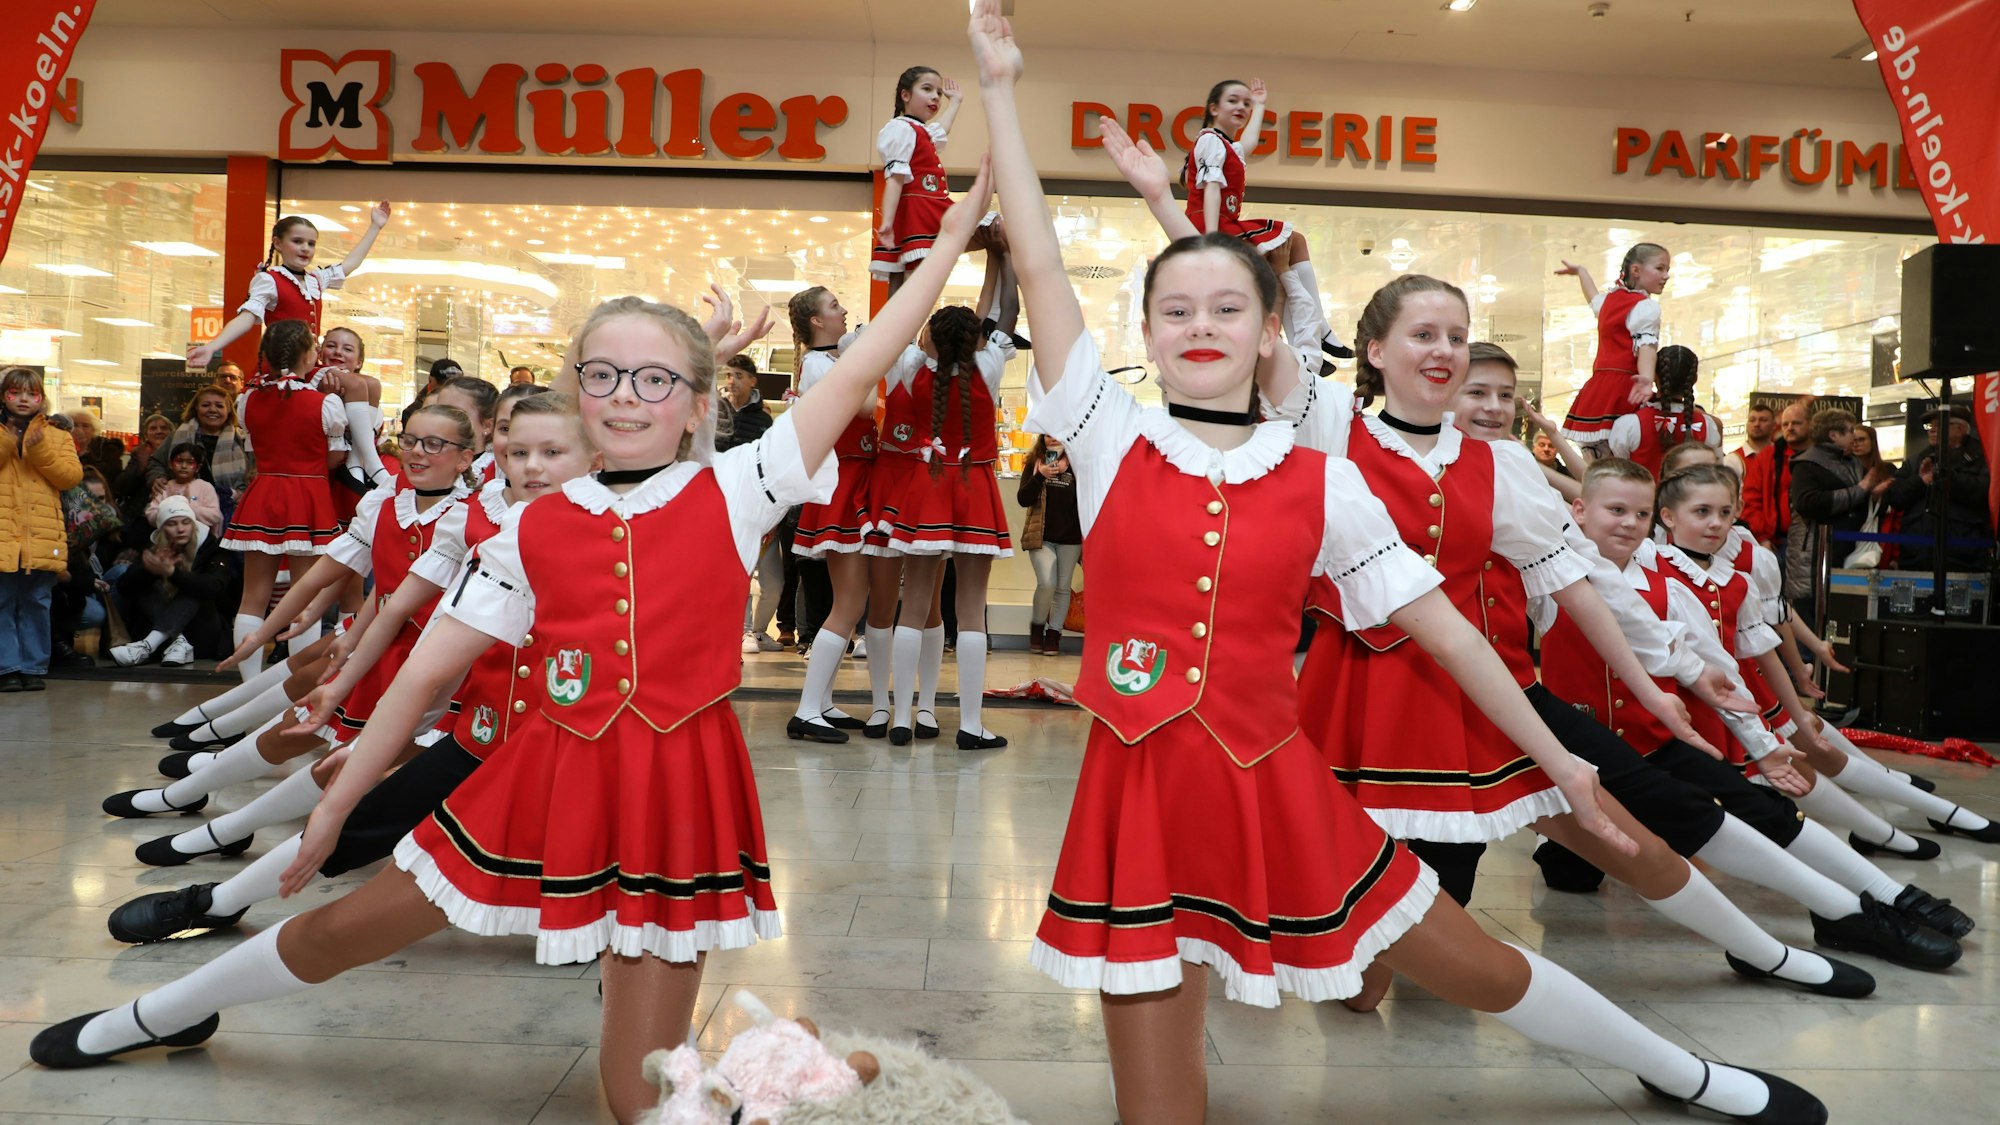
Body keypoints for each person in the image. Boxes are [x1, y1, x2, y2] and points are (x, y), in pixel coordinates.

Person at [974, 12, 1824, 1122]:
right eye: (1172, 308)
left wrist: (1558, 763)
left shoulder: (1320, 479)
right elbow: (1034, 258)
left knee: (1466, 963)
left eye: (1227, 306)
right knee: (1153, 1085)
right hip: (1132, 793)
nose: (1199, 324)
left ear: (1270, 330)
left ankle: (1690, 1074)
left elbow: (1450, 632)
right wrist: (1000, 91)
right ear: (1140, 324)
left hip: (1277, 782)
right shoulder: (1103, 428)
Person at [31, 184, 989, 1125]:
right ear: (576, 389)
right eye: (604, 374)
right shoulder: (525, 532)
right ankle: (152, 1012)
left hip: (676, 798)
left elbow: (864, 362)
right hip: (537, 776)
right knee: (345, 928)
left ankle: (803, 1066)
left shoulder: (739, 489)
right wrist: (331, 807)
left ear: (697, 401)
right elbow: (425, 673)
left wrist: (942, 242)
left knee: (636, 1100)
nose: (626, 395)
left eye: (655, 377)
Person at [103, 394, 596, 946]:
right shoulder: (472, 520)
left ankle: (610, 934)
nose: (529, 461)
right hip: (473, 707)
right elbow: (399, 604)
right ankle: (218, 883)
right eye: (514, 439)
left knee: (418, 837)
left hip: (565, 733)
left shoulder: (615, 531)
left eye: (551, 450)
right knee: (356, 788)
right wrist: (332, 664)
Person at [1532, 457, 1970, 946]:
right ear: (1579, 511)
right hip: (1576, 757)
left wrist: (1762, 745)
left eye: (1640, 514)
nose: (1630, 525)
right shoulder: (1549, 582)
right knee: (1572, 876)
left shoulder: (1669, 587)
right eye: (1615, 510)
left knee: (1756, 806)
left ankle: (1885, 894)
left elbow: (1720, 673)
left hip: (1655, 743)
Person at [101, 404, 477, 870]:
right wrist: (267, 630)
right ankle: (186, 791)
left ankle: (221, 825)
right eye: (412, 440)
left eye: (435, 444)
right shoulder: (387, 501)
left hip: (440, 669)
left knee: (344, 764)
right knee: (297, 727)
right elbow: (342, 575)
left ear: (467, 457)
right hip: (382, 646)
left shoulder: (474, 519)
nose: (418, 452)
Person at [869, 249, 1021, 750]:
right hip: (974, 488)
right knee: (971, 610)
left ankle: (901, 718)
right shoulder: (989, 365)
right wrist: (1003, 259)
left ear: (927, 337)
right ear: (976, 340)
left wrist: (922, 256)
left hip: (925, 490)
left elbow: (902, 314)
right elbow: (1003, 312)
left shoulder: (909, 365)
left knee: (912, 608)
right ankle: (972, 725)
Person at [217, 321, 349, 680]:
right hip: (308, 495)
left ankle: (248, 686)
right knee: (302, 596)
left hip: (263, 492)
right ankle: (292, 687)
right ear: (309, 354)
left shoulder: (248, 400)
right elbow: (335, 457)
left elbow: (254, 450)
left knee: (253, 597)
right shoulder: (325, 404)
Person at [1184, 78, 1349, 363]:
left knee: (1282, 269)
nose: (1241, 107)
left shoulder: (1225, 144)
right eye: (1233, 101)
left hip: (1221, 224)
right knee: (1292, 246)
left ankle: (1309, 341)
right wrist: (1212, 240)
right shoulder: (1210, 140)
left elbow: (1247, 143)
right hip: (1213, 225)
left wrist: (1259, 106)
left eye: (1245, 103)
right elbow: (1211, 188)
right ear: (1213, 108)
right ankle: (1316, 333)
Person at [786, 286, 877, 741]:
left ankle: (821, 701)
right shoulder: (820, 366)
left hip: (853, 482)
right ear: (817, 322)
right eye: (835, 307)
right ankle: (806, 709)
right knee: (847, 604)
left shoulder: (827, 362)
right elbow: (863, 407)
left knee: (851, 602)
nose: (844, 312)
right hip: (844, 484)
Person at [187, 205, 392, 380]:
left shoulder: (315, 280)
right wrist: (213, 347)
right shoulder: (269, 280)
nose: (305, 248)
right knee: (357, 385)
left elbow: (350, 264)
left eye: (311, 244)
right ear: (277, 243)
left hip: (308, 365)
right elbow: (246, 318)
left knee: (368, 384)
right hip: (284, 368)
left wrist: (375, 227)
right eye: (297, 241)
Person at [871, 64, 1013, 304]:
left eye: (938, 91)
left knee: (906, 278)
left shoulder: (919, 131)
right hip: (919, 212)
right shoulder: (899, 129)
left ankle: (995, 320)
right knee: (911, 281)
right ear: (905, 95)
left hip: (930, 210)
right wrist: (887, 222)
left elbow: (939, 132)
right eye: (927, 89)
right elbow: (894, 178)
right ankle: (998, 320)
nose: (936, 96)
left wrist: (955, 102)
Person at [2, 366, 84, 692]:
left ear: (41, 398)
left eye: (31, 393)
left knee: (37, 600)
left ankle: (34, 666)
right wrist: (8, 441)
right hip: (4, 534)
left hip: (42, 534)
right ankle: (7, 667)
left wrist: (38, 448)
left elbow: (69, 477)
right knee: (2, 602)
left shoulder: (57, 434)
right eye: (15, 392)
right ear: (3, 396)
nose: (23, 399)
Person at [1556, 243, 1670, 450]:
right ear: (1636, 270)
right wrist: (1646, 378)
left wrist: (1581, 272)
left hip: (1598, 388)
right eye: (1660, 268)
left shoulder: (1609, 302)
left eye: (1667, 270)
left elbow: (1593, 298)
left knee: (1597, 457)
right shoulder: (1646, 307)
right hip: (1625, 389)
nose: (1666, 275)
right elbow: (1647, 346)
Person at [108, 495, 237, 668]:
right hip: (161, 636)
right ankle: (177, 641)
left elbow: (216, 588)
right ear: (162, 529)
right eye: (172, 524)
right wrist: (150, 571)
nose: (180, 529)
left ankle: (147, 646)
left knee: (196, 588)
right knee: (145, 583)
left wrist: (173, 574)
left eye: (185, 522)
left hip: (201, 633)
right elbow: (124, 588)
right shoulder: (154, 549)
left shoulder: (213, 548)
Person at [1785, 407, 1888, 610]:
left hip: (1848, 551)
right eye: (1850, 431)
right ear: (1833, 435)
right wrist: (1861, 489)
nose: (1854, 436)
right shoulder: (1806, 464)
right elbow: (1808, 503)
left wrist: (1873, 496)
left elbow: (1860, 497)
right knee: (1812, 616)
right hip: (1814, 554)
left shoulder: (1853, 462)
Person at [1886, 403, 1993, 572]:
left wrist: (1949, 479)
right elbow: (1895, 496)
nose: (1931, 430)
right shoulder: (1916, 460)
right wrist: (1920, 481)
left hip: (1963, 556)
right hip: (1916, 556)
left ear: (1960, 429)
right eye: (1930, 426)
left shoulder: (1984, 458)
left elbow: (1984, 493)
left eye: (1939, 425)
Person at [1607, 343, 1721, 478]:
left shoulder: (1629, 424)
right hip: (1692, 498)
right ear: (1694, 379)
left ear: (1655, 376)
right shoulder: (1708, 426)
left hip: (1642, 498)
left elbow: (1619, 473)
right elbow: (1716, 473)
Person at [146, 384, 254, 518]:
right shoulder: (177, 436)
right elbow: (155, 462)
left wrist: (244, 494)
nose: (212, 410)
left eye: (219, 406)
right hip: (182, 512)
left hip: (231, 511)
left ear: (229, 411)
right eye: (206, 405)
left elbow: (254, 473)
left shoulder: (242, 440)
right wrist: (157, 478)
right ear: (196, 408)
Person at [1016, 434, 1080, 657]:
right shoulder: (1035, 462)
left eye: (1058, 434)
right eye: (1048, 434)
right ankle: (1036, 627)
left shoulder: (1077, 464)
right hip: (1041, 537)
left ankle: (1054, 635)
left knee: (1063, 588)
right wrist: (1040, 476)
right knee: (1046, 583)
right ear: (1042, 438)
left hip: (1071, 540)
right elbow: (1023, 499)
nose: (1053, 439)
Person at [1743, 398, 1807, 551]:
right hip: (1777, 542)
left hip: (1814, 538)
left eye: (1796, 423)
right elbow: (1751, 499)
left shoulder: (1820, 456)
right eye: (1785, 424)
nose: (1790, 428)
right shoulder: (1767, 457)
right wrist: (1762, 536)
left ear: (1810, 424)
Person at [145, 442, 224, 535]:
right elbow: (151, 514)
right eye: (179, 461)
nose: (183, 466)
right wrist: (170, 510)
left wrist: (188, 508)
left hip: (200, 538)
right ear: (170, 464)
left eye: (190, 462)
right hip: (169, 537)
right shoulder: (164, 487)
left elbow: (215, 516)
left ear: (198, 467)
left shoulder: (205, 487)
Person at [114, 413, 175, 517]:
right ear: (146, 435)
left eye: (164, 428)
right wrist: (140, 466)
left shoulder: (178, 453)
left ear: (171, 432)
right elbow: (122, 487)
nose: (159, 431)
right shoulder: (139, 453)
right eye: (153, 428)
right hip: (141, 512)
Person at [66, 407, 127, 481]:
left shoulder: (107, 450)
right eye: (74, 425)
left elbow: (113, 482)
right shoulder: (58, 448)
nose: (79, 430)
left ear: (93, 430)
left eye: (85, 426)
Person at [1724, 399, 1777, 479]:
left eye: (1763, 420)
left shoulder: (1783, 456)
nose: (1757, 424)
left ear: (1774, 426)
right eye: (1752, 420)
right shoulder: (1732, 460)